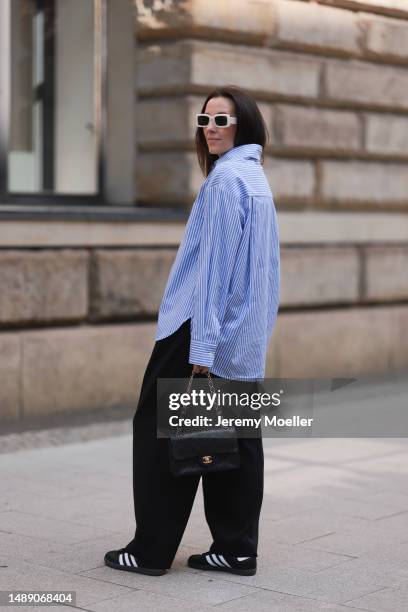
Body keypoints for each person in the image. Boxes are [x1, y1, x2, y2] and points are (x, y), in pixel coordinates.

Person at [104, 85, 280, 576]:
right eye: (205, 121)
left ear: (243, 123)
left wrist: (201, 346)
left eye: (222, 120)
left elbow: (213, 273)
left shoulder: (226, 184)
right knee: (237, 437)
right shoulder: (256, 180)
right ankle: (236, 548)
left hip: (200, 330)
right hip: (240, 332)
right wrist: (252, 334)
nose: (212, 129)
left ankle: (150, 550)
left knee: (159, 431)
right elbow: (266, 272)